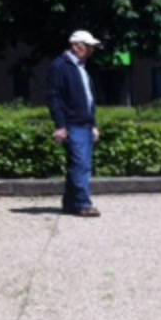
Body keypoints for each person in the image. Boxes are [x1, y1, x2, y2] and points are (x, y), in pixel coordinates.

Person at [48, 30, 103, 217]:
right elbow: (54, 98)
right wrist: (60, 126)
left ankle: (71, 202)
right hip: (73, 124)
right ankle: (82, 204)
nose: (92, 51)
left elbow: (89, 99)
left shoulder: (81, 68)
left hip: (85, 124)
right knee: (81, 165)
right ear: (77, 46)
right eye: (89, 47)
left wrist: (93, 124)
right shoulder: (59, 67)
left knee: (78, 165)